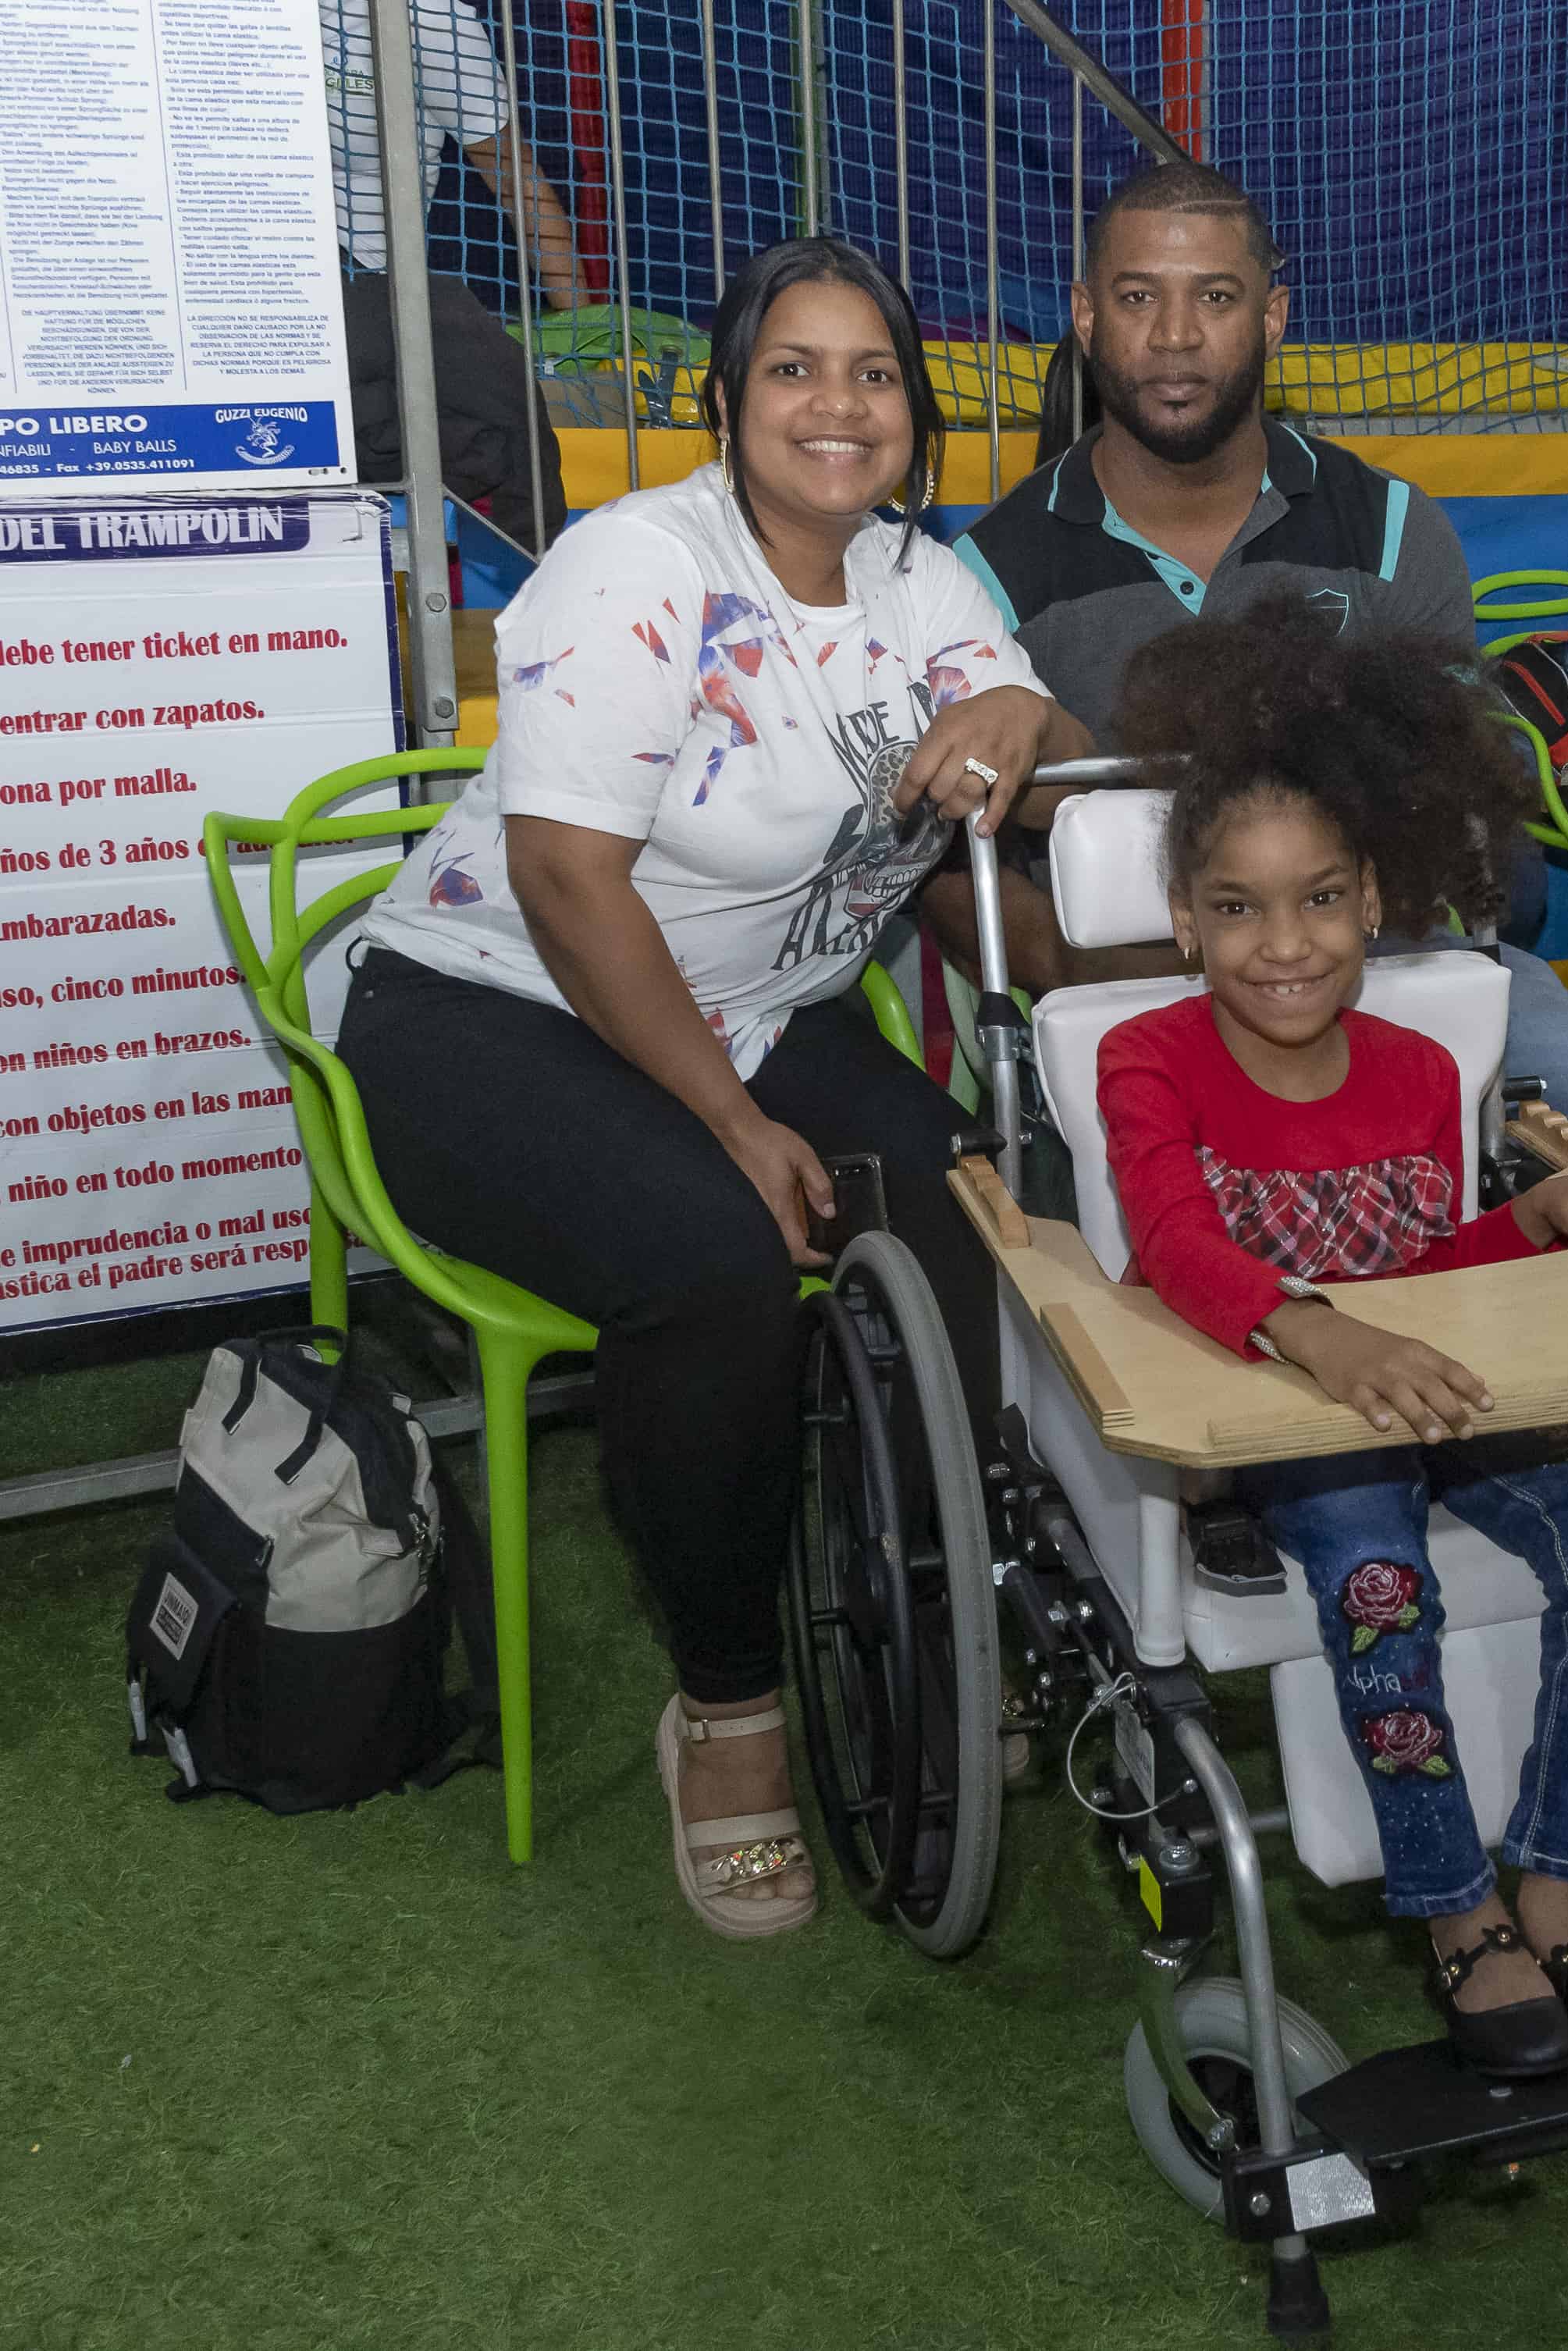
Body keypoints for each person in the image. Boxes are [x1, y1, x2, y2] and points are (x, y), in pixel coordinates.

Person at [340, 237, 1071, 1937]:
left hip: (753, 1007)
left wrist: (1026, 702)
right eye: (795, 369)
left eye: (873, 372)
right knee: (717, 1262)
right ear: (727, 399)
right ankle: (729, 1708)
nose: (838, 404)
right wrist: (734, 1125)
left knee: (966, 1213)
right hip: (490, 1007)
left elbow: (1006, 718)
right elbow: (568, 885)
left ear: (912, 409)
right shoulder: (630, 569)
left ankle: (943, 1614)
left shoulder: (920, 579)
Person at [1096, 596, 1568, 2075]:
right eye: (1238, 908)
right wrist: (1320, 1343)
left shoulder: (1410, 1061)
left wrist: (1545, 1222)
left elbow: (1426, 1258)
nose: (1283, 944)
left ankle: (1559, 1891)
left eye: (1320, 899)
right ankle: (1456, 1914)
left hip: (1438, 1394)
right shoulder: (1149, 1057)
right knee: (1381, 1579)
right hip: (1298, 1434)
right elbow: (1177, 1244)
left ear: (1373, 898)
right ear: (1186, 918)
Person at [931, 158, 1568, 1188]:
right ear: (1086, 317)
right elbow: (940, 867)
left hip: (1378, 965)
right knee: (1108, 1230)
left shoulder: (1387, 529)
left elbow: (1457, 823)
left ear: (1275, 316)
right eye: (1139, 296)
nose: (1177, 335)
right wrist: (1077, 967)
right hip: (1128, 990)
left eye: (1218, 297)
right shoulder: (987, 573)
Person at [324, 0, 587, 550]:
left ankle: (536, 564)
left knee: (482, 386)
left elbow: (518, 182)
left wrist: (589, 332)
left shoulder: (428, 17)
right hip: (238, 291)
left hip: (367, 291)